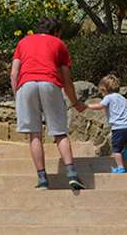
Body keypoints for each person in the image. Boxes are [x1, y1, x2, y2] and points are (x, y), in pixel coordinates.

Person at [11, 18, 86, 190]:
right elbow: (66, 80)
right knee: (60, 132)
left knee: (35, 134)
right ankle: (72, 175)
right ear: (57, 32)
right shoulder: (59, 43)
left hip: (26, 85)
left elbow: (14, 73)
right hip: (49, 83)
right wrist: (75, 103)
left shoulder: (23, 42)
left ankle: (43, 179)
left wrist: (18, 97)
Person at [84, 74, 127, 173]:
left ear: (104, 89)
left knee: (116, 151)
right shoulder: (122, 98)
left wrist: (87, 106)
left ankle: (120, 167)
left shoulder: (108, 97)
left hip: (118, 128)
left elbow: (99, 106)